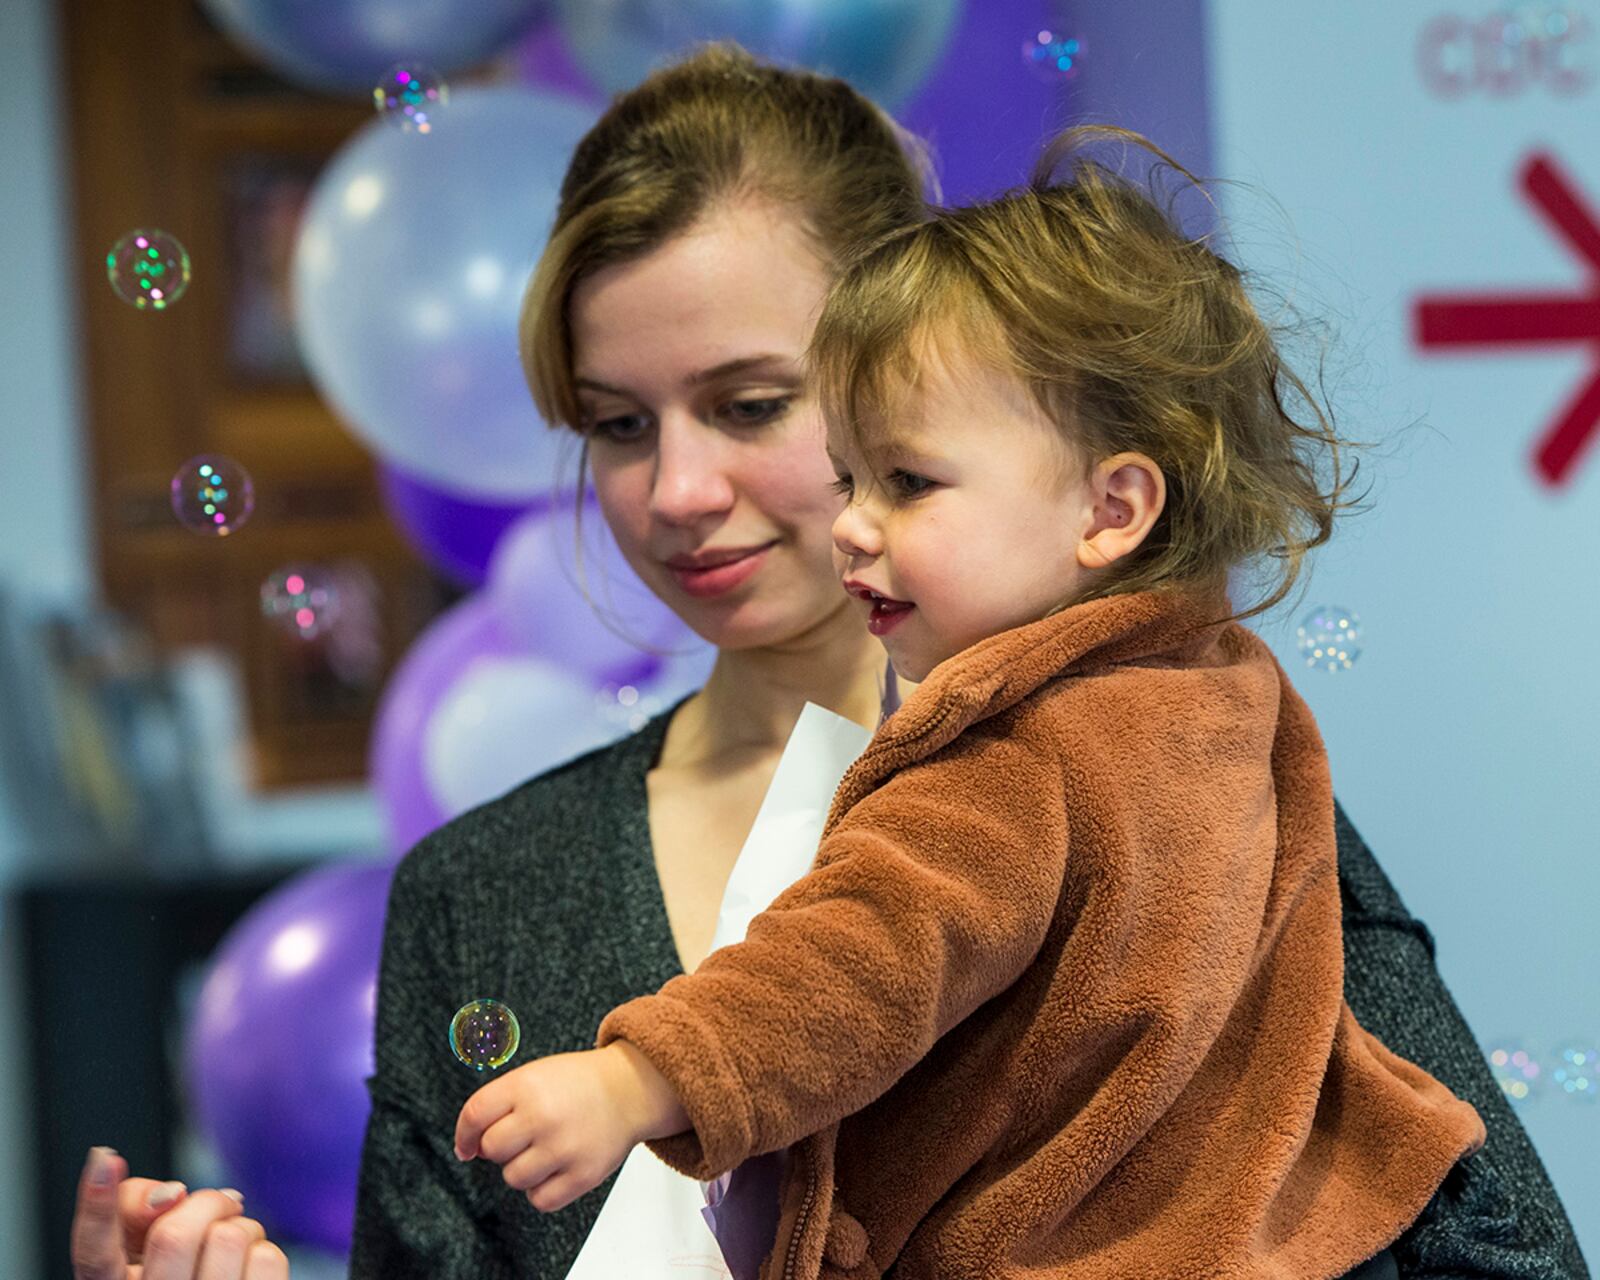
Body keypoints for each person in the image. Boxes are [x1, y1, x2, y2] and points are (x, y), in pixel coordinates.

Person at [71, 43, 1587, 1280]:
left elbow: (1488, 1239)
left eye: (753, 405)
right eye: (617, 424)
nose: (674, 492)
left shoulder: (1183, 777)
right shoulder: (482, 899)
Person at [444, 127, 1490, 1278]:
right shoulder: (1230, 692)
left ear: (1112, 508)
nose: (854, 522)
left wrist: (641, 1075)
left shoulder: (1009, 745)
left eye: (905, 480)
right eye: (850, 477)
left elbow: (856, 956)